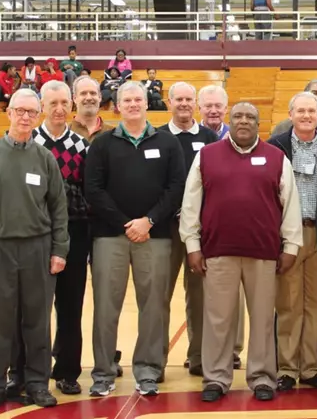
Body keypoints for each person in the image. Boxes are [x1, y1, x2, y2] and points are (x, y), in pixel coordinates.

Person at [182, 101, 303, 403]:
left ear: (258, 123)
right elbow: (190, 204)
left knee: (262, 318)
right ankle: (216, 377)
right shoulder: (206, 156)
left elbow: (290, 205)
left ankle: (262, 377)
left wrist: (290, 245)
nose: (244, 121)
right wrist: (192, 245)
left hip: (264, 252)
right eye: (238, 116)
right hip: (217, 250)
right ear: (230, 120)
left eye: (250, 117)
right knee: (218, 318)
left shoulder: (276, 157)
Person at [0, 88, 67, 412]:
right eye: (19, 111)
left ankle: (37, 382)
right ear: (8, 112)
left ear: (38, 117)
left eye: (31, 112)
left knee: (37, 320)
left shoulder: (45, 158)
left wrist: (59, 250)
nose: (25, 117)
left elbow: (58, 208)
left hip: (38, 248)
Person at [84, 80, 186, 397]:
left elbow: (176, 188)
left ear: (146, 103)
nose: (132, 104)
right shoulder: (102, 144)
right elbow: (93, 189)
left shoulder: (168, 143)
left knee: (154, 305)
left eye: (137, 99)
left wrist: (149, 220)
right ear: (117, 105)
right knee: (105, 307)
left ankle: (148, 370)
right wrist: (126, 222)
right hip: (109, 237)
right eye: (126, 100)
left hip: (154, 237)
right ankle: (102, 372)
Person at [270, 93, 317, 391]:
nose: (307, 115)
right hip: (288, 234)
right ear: (290, 113)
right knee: (288, 304)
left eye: (312, 110)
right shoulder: (275, 148)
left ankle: (310, 368)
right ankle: (286, 368)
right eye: (301, 110)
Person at [31, 82, 94, 395]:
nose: (58, 109)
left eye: (63, 103)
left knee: (71, 307)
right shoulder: (29, 142)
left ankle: (68, 370)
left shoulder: (82, 146)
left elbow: (88, 192)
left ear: (71, 106)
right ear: (42, 105)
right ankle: (33, 371)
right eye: (51, 102)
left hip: (74, 234)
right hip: (35, 236)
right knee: (35, 309)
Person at [163, 82, 229, 377]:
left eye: (190, 99)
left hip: (201, 233)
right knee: (158, 296)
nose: (184, 104)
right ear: (169, 102)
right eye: (179, 99)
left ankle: (200, 356)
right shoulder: (158, 137)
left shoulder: (210, 138)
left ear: (196, 104)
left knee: (200, 297)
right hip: (164, 230)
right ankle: (155, 360)